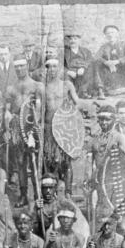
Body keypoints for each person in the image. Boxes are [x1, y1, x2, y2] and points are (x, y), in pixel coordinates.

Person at [37, 53, 80, 191]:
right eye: (49, 66)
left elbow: (77, 103)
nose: (52, 69)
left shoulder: (67, 85)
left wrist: (71, 119)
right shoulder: (42, 88)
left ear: (60, 68)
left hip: (63, 129)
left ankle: (67, 192)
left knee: (65, 163)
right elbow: (39, 110)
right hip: (49, 129)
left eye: (55, 66)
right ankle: (52, 191)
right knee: (49, 161)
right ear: (46, 69)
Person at [4, 57, 42, 207]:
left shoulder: (36, 86)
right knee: (20, 162)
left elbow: (38, 110)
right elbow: (7, 111)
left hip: (32, 127)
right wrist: (7, 129)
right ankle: (24, 195)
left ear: (27, 66)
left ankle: (38, 194)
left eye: (22, 66)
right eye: (17, 66)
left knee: (35, 162)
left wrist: (33, 132)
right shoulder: (10, 88)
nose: (19, 69)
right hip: (16, 129)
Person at [92, 24, 125, 97]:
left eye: (112, 32)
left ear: (117, 34)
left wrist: (117, 61)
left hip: (122, 70)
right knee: (97, 63)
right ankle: (100, 90)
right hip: (109, 72)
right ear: (105, 35)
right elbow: (96, 57)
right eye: (108, 33)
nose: (110, 35)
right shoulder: (104, 47)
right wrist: (106, 62)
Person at [64, 30, 95, 97]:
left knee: (90, 69)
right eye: (71, 39)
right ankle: (70, 94)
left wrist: (83, 68)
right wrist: (68, 71)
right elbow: (60, 64)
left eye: (75, 39)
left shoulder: (86, 51)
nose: (73, 41)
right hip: (71, 72)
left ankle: (84, 92)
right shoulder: (64, 52)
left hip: (83, 71)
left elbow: (90, 60)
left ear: (79, 40)